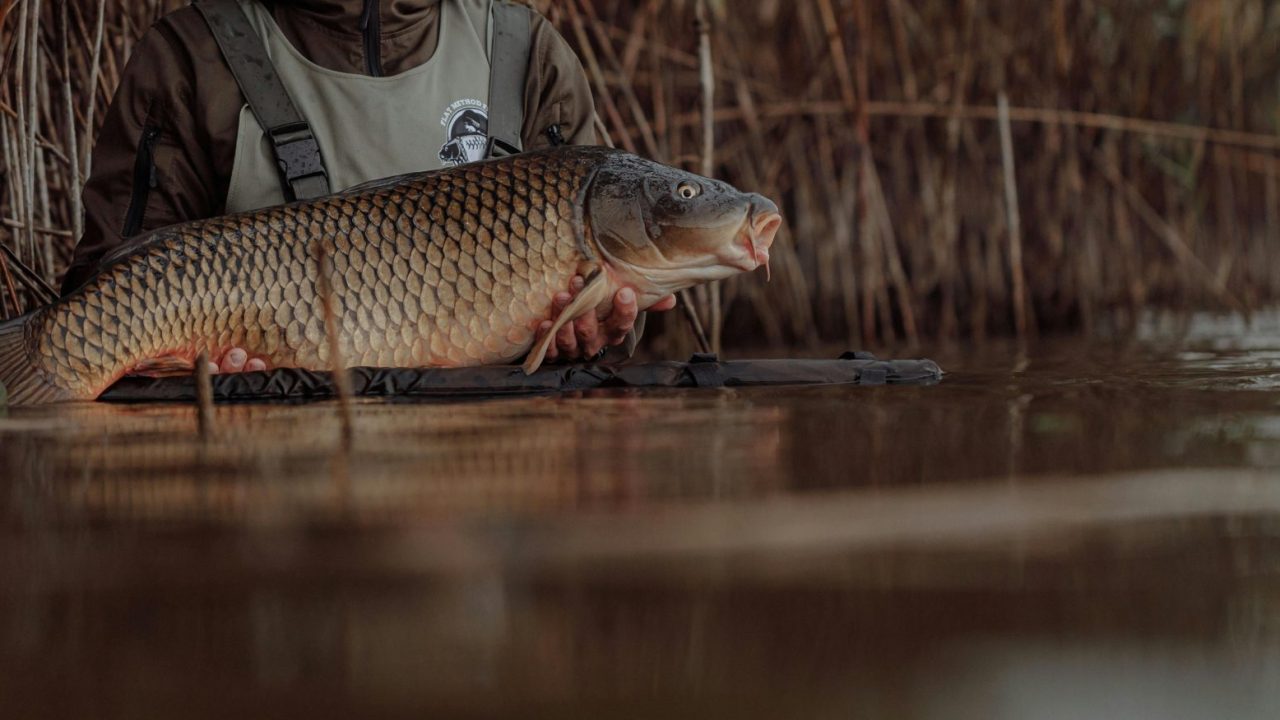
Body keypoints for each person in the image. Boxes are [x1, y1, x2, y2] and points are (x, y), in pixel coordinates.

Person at [63, 0, 675, 374]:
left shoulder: (524, 53)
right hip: (268, 508)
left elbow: (612, 323)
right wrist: (187, 372)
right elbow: (109, 293)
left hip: (484, 507)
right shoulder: (189, 56)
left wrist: (600, 335)